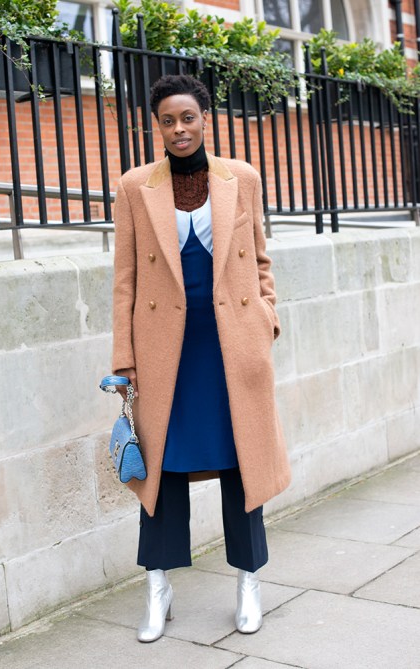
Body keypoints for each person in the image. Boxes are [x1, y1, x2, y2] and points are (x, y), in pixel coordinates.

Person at [111, 74, 291, 643]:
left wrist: (266, 319)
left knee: (243, 462)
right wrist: (124, 357)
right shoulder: (135, 187)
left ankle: (248, 583)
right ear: (157, 127)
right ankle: (157, 587)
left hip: (231, 346)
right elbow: (125, 280)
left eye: (187, 117)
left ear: (205, 119)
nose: (179, 129)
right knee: (161, 469)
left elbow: (259, 259)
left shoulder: (242, 178)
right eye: (168, 120)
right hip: (165, 351)